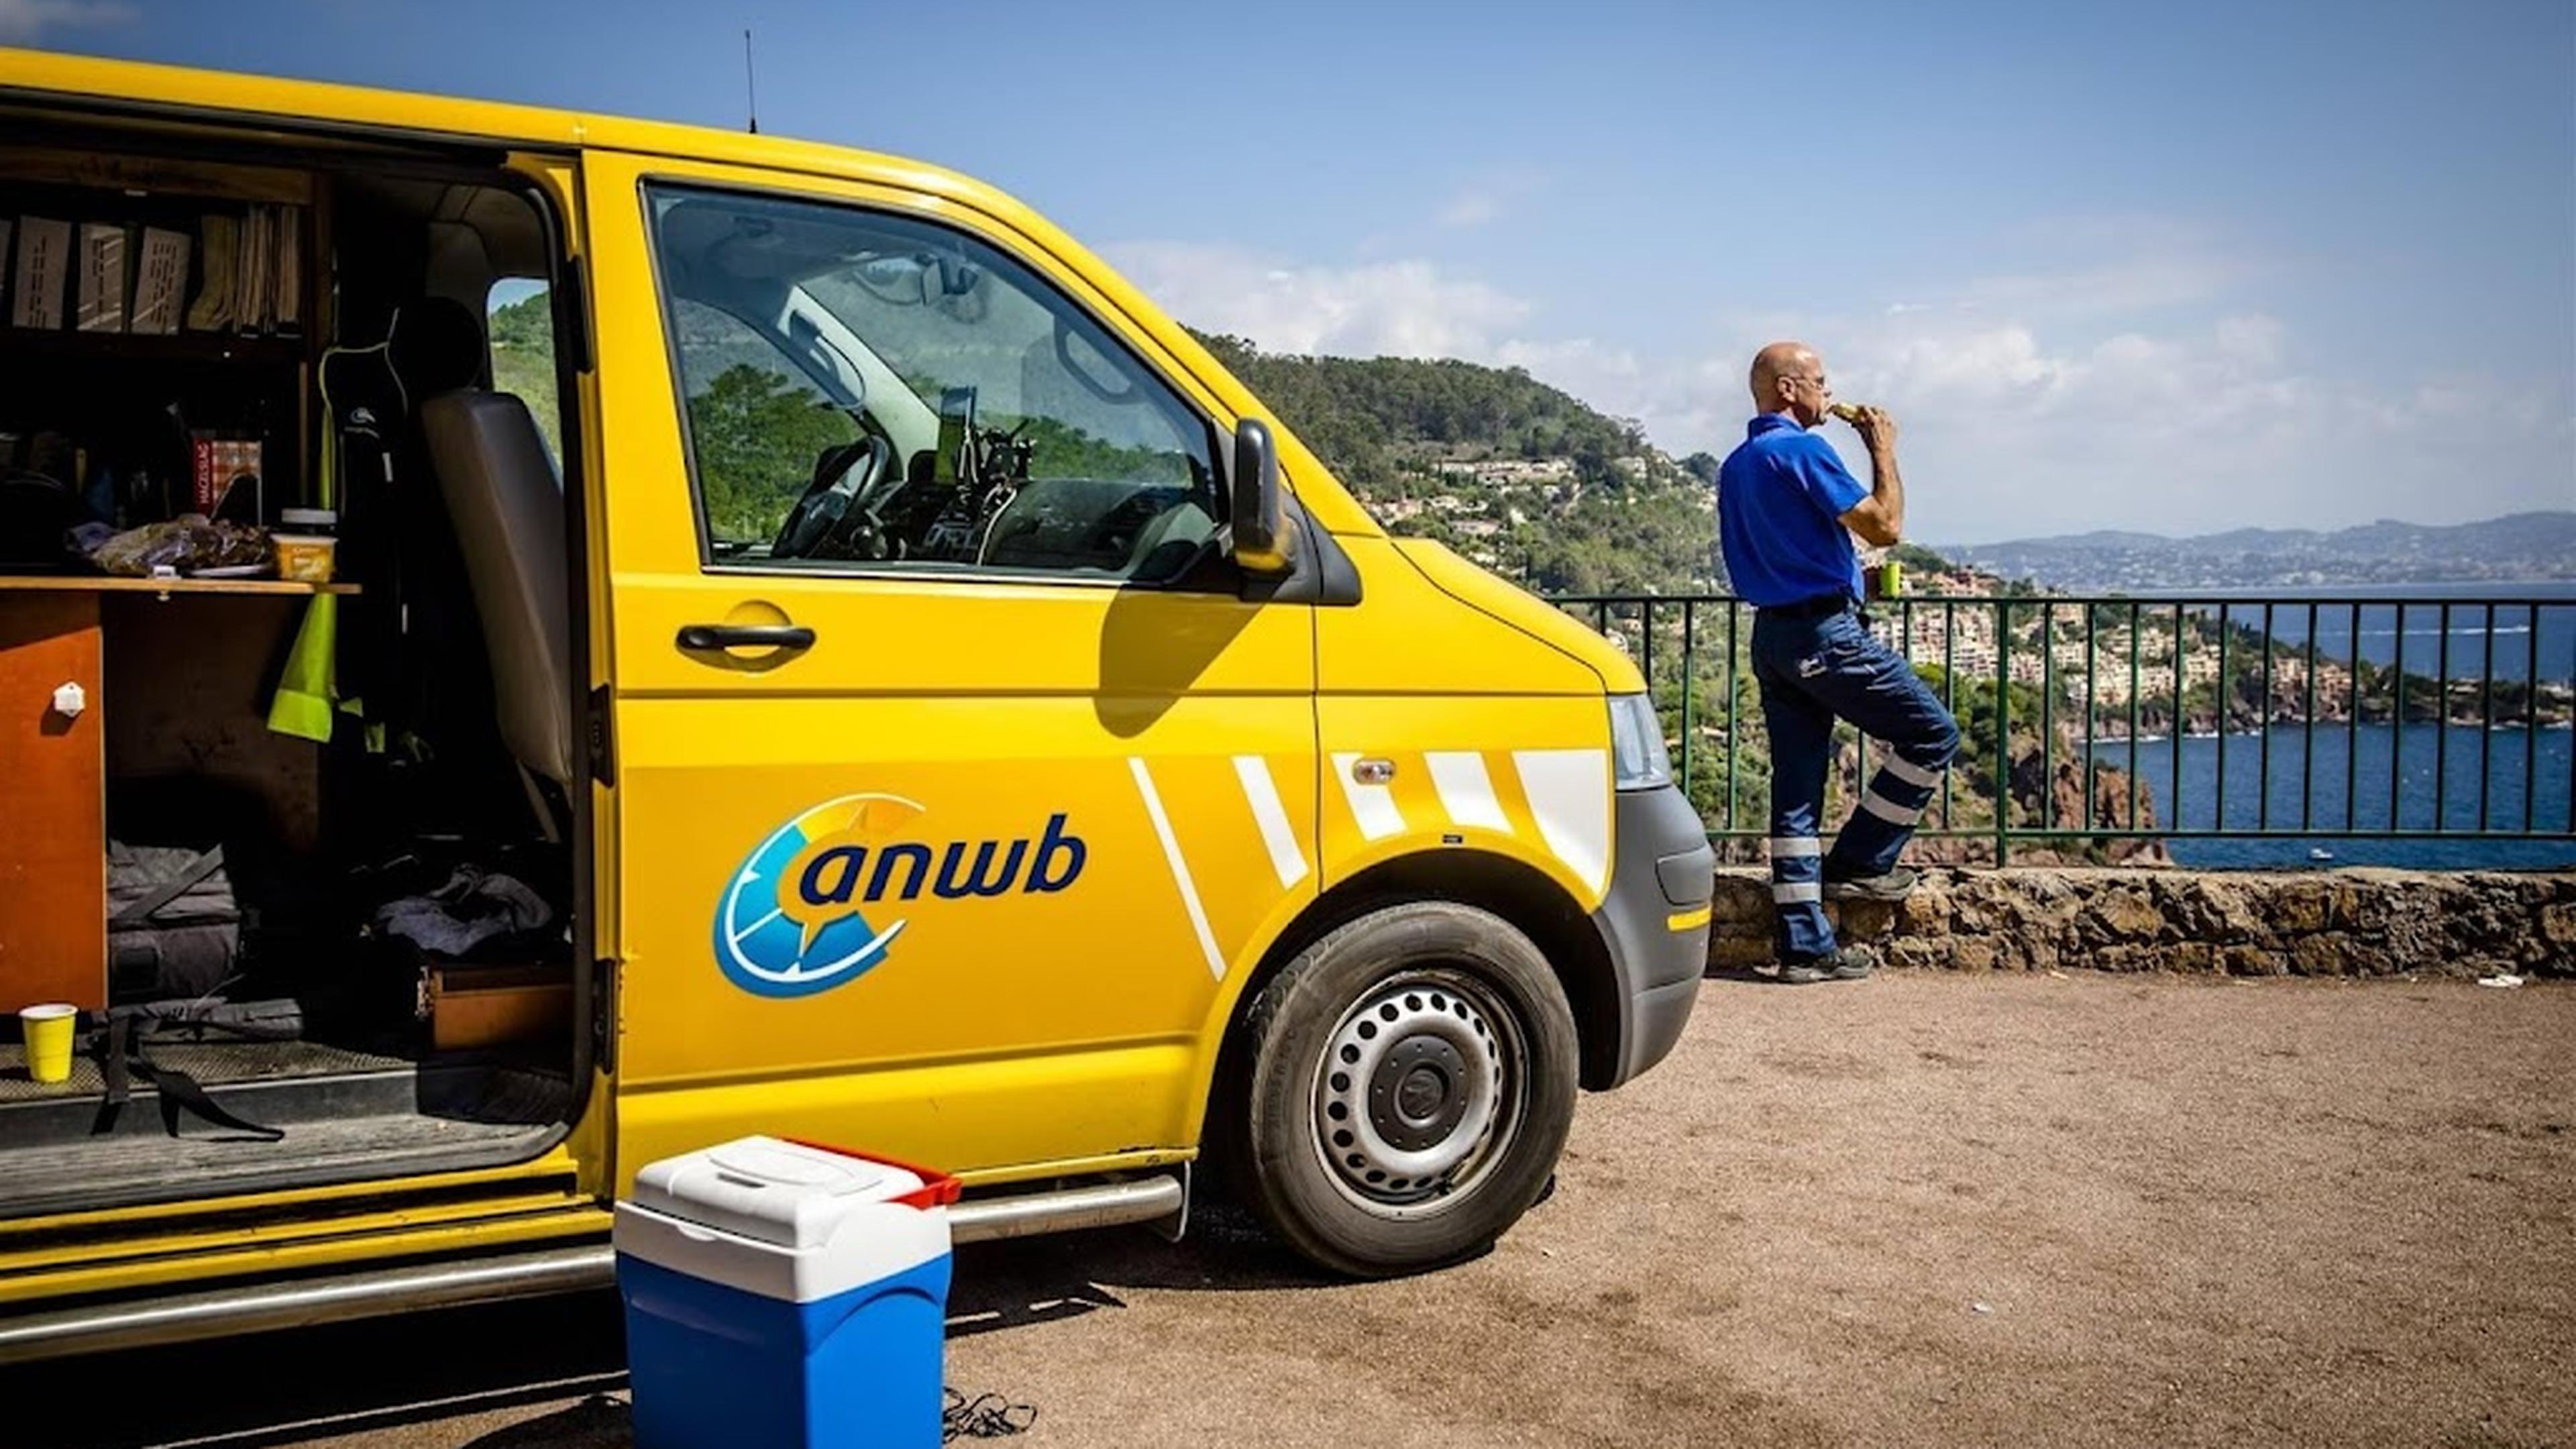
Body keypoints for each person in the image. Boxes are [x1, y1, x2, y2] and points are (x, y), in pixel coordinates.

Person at [1716, 342, 1959, 984]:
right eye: (1821, 382)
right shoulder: (1800, 449)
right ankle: (1860, 860)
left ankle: (1805, 949)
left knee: (1796, 795)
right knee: (1933, 733)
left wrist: (1841, 573)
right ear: (1790, 389)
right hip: (1824, 634)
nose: (1830, 393)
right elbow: (1885, 525)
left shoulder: (1738, 464)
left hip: (1773, 637)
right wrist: (1882, 446)